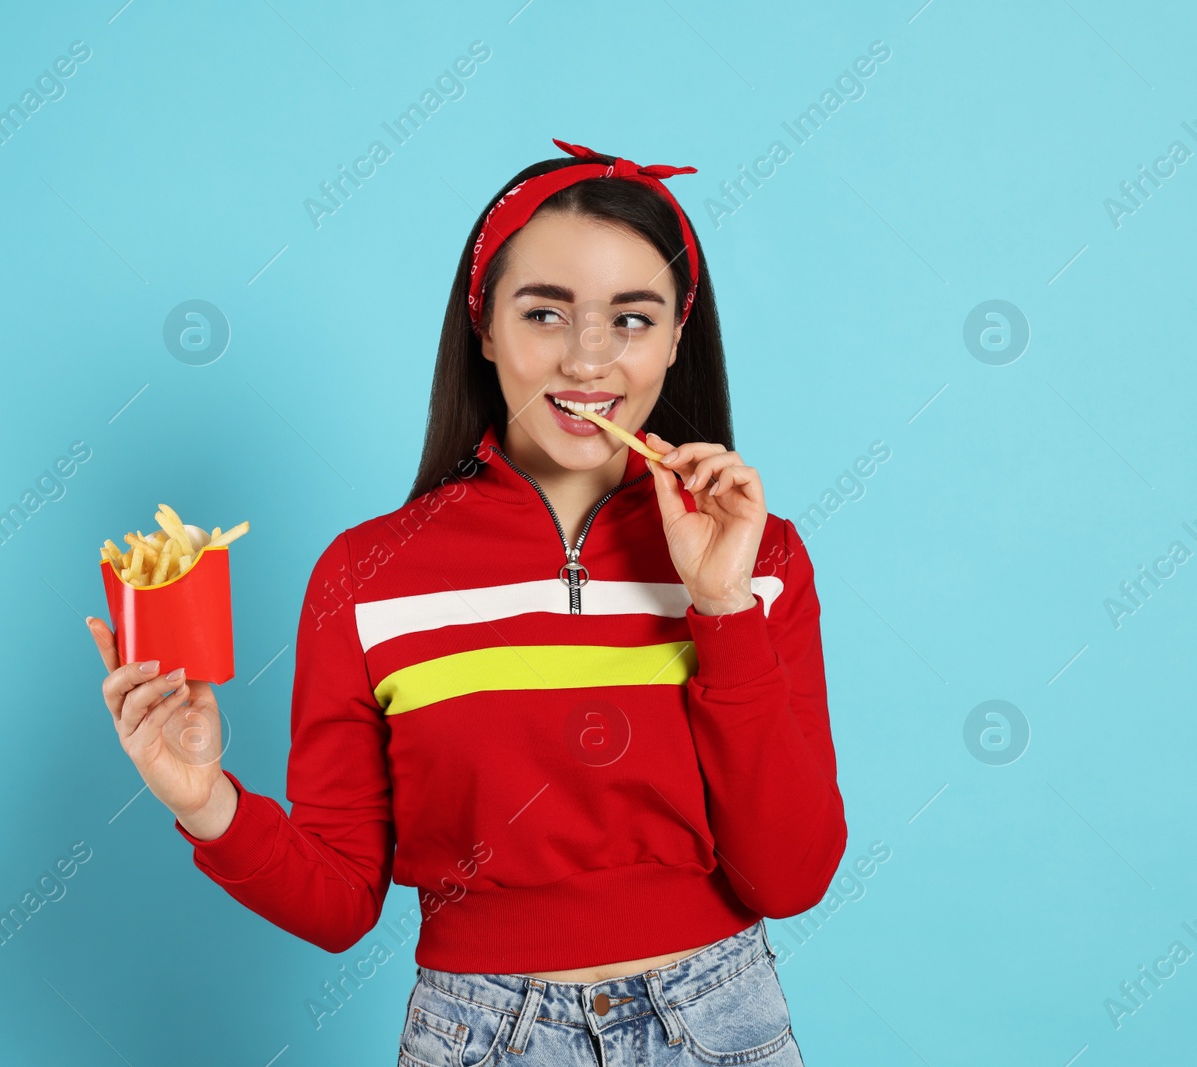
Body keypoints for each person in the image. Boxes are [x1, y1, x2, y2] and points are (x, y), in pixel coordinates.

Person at [86, 138, 847, 1066]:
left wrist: (721, 608)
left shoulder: (760, 555)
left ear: (680, 331)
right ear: (483, 326)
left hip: (720, 1023)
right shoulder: (368, 576)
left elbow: (792, 874)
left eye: (633, 318)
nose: (589, 357)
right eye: (545, 313)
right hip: (485, 1035)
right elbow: (338, 902)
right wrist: (209, 804)